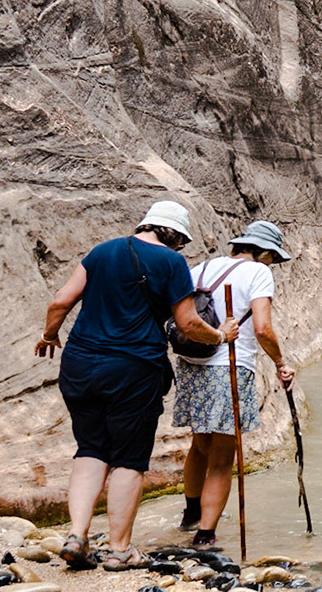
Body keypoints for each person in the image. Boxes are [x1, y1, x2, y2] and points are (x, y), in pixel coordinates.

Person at [35, 201, 238, 571]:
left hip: (79, 363)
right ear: (174, 236)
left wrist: (50, 335)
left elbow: (60, 301)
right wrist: (220, 336)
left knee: (91, 448)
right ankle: (120, 550)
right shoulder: (171, 262)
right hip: (133, 368)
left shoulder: (102, 251)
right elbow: (189, 324)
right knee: (129, 458)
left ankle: (77, 535)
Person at [173, 220, 296, 549]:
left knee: (199, 444)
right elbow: (262, 329)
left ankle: (190, 514)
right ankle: (205, 534)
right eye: (273, 257)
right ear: (264, 253)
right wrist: (281, 363)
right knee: (223, 457)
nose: (273, 264)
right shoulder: (258, 272)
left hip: (191, 363)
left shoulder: (201, 268)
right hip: (228, 366)